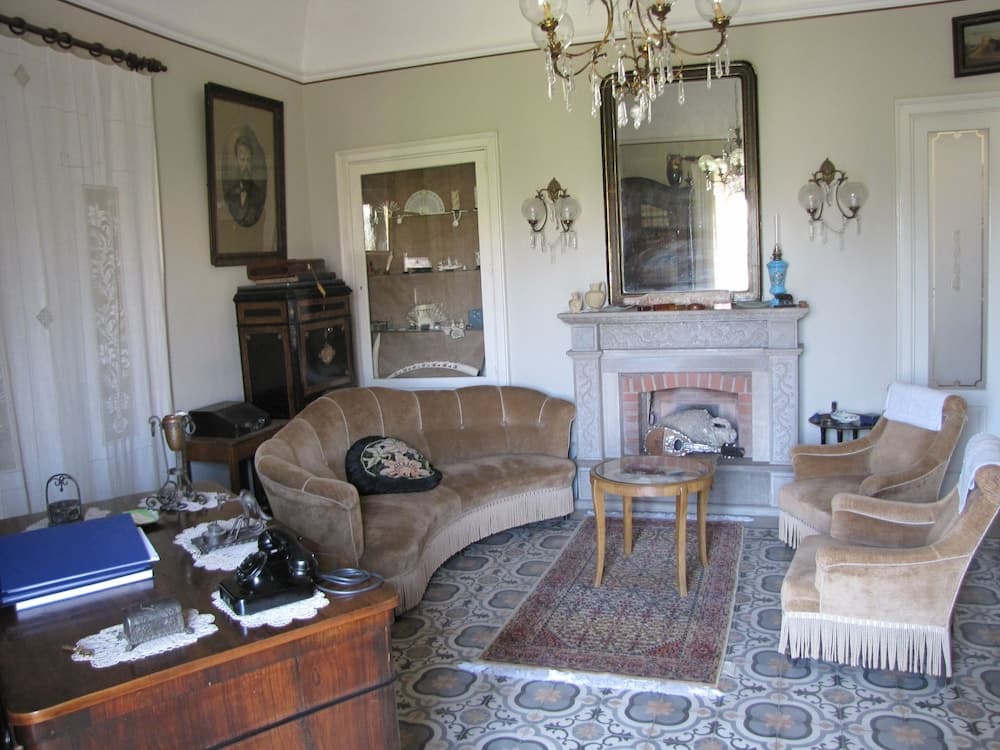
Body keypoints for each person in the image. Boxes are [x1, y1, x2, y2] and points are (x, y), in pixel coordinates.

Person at [223, 134, 266, 227]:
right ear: (236, 160)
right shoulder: (229, 196)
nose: (246, 165)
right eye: (242, 160)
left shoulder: (260, 195)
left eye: (248, 160)